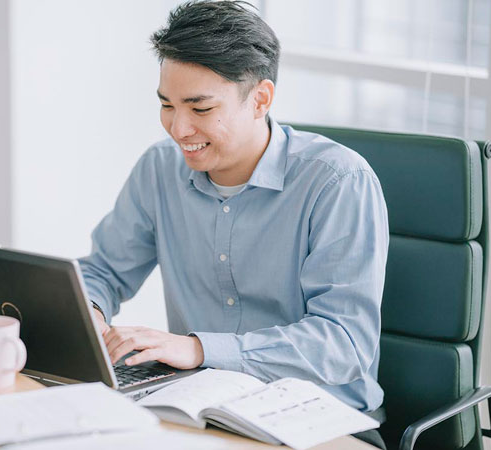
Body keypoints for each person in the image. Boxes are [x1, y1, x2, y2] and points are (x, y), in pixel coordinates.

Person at [78, 0, 389, 438]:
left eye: (200, 109)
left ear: (260, 98)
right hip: (201, 406)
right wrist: (88, 310)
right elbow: (104, 271)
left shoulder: (338, 182)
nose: (178, 128)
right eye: (167, 104)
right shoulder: (159, 168)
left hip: (319, 421)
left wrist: (200, 348)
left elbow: (343, 344)